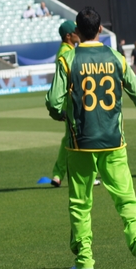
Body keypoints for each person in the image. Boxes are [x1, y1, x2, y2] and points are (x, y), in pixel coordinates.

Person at [45, 6, 136, 269]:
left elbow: (53, 102)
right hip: (114, 142)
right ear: (100, 30)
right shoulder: (116, 58)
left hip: (80, 143)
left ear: (77, 32)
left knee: (81, 204)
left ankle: (85, 263)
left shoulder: (68, 60)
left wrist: (65, 116)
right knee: (127, 200)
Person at [49, 20, 79, 188]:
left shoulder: (67, 50)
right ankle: (64, 173)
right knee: (76, 137)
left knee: (68, 138)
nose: (78, 33)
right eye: (75, 31)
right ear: (68, 36)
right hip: (72, 102)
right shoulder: (65, 53)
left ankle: (58, 174)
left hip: (70, 101)